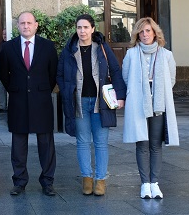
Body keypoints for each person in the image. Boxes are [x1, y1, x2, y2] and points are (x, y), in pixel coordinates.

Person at [57, 14, 125, 196]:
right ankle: (86, 179)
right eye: (79, 27)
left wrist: (120, 96)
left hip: (100, 102)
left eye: (86, 27)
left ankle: (100, 180)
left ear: (93, 29)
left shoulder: (101, 48)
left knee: (101, 143)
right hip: (78, 102)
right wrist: (65, 91)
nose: (82, 31)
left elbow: (116, 71)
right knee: (82, 142)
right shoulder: (69, 49)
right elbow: (60, 74)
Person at [0, 11, 59, 196]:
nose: (26, 26)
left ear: (36, 25)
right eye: (22, 23)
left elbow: (53, 74)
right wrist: (15, 89)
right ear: (17, 26)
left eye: (29, 23)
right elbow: (3, 74)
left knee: (46, 144)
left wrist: (42, 89)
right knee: (18, 145)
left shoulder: (48, 47)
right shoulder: (8, 48)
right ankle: (19, 182)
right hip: (18, 101)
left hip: (41, 101)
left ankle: (47, 182)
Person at [122, 17, 178, 199]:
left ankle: (155, 183)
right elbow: (126, 77)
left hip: (158, 105)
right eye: (141, 31)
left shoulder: (166, 54)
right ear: (137, 34)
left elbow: (171, 80)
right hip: (138, 104)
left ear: (155, 32)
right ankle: (144, 184)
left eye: (148, 31)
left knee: (155, 144)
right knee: (142, 144)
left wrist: (157, 95)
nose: (145, 34)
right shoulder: (131, 54)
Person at [0, 28, 8, 112]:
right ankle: (2, 106)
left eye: (6, 34)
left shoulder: (12, 45)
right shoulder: (1, 45)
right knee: (0, 88)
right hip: (1, 71)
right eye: (3, 34)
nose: (4, 36)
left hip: (11, 71)